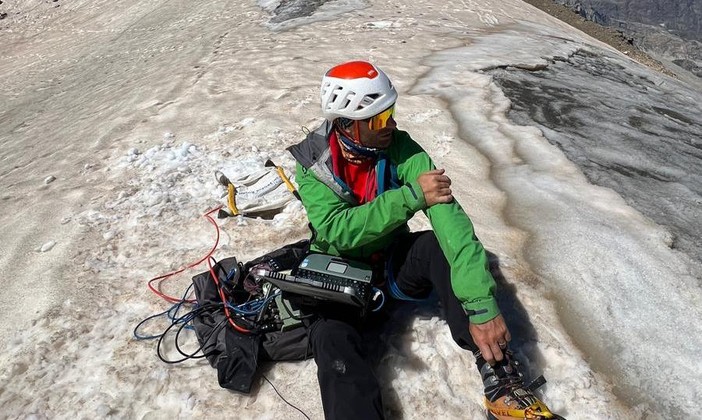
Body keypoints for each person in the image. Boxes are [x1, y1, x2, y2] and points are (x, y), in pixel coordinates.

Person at [287, 61, 559, 420]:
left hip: (389, 266)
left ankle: (502, 383)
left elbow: (451, 222)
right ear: (346, 124)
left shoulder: (400, 149)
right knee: (332, 343)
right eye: (379, 120)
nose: (392, 125)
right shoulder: (313, 165)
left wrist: (481, 306)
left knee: (435, 246)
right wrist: (411, 196)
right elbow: (338, 230)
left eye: (391, 113)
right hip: (341, 278)